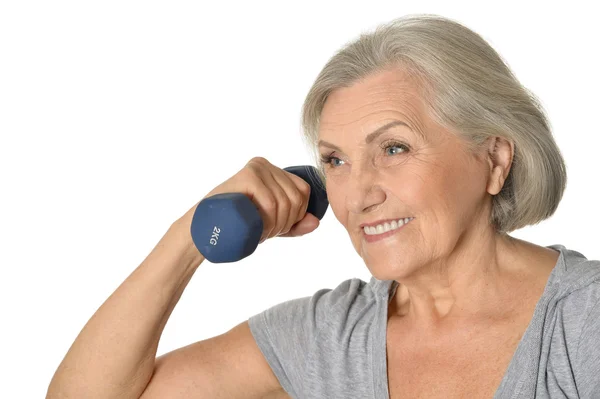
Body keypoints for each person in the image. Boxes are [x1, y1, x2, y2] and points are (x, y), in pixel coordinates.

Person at [46, 14, 600, 399]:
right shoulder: (332, 337)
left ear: (495, 160)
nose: (358, 195)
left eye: (394, 148)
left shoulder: (583, 323)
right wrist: (189, 238)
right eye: (335, 161)